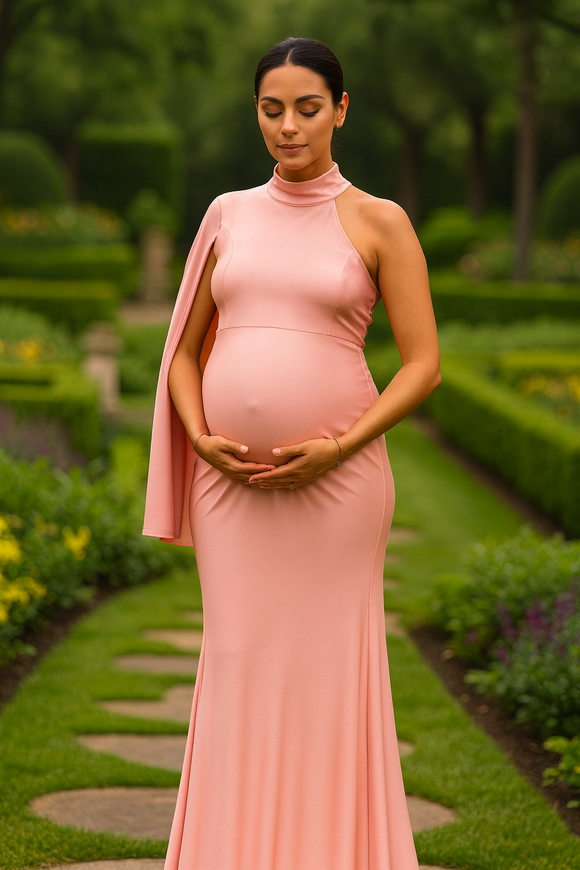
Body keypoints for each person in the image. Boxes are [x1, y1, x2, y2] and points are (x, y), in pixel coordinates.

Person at [143, 36, 440, 870]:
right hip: (228, 489)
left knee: (328, 679)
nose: (288, 126)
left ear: (341, 111)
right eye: (272, 109)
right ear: (257, 113)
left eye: (307, 108)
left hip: (340, 487)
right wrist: (201, 437)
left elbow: (424, 363)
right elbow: (186, 352)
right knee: (236, 662)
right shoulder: (226, 214)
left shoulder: (380, 220)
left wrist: (341, 445)